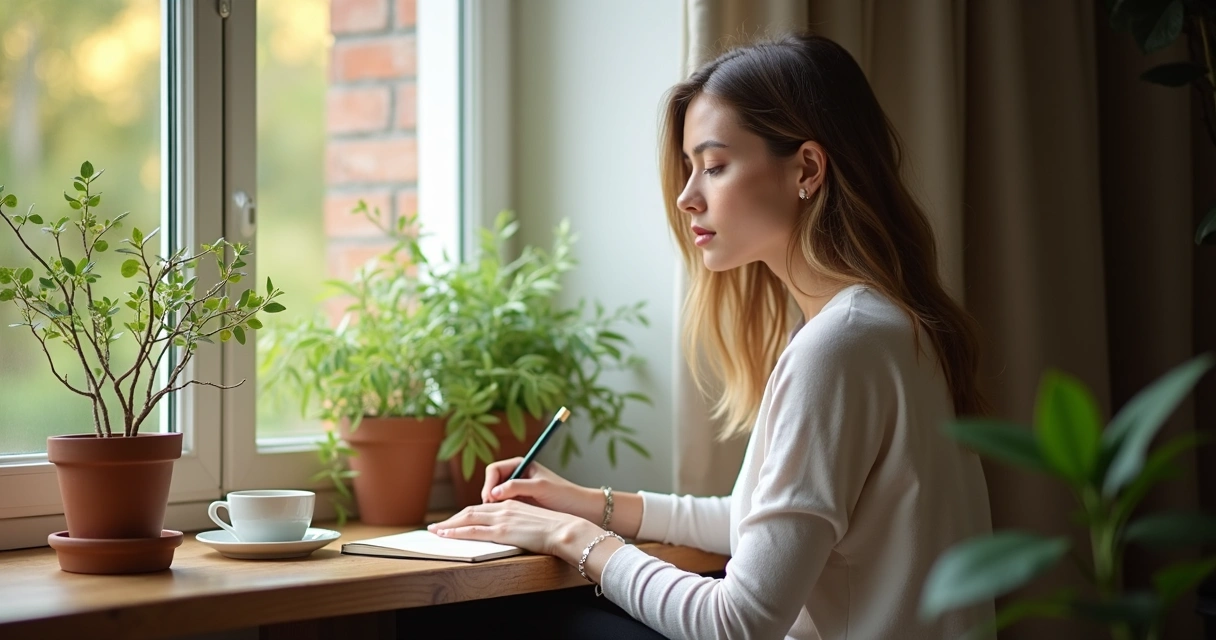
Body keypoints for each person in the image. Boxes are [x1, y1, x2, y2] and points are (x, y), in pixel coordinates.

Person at [425, 32, 995, 639]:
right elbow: (765, 527)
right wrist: (589, 503)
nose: (686, 196)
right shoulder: (885, 325)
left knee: (495, 621)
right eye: (690, 168)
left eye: (715, 166)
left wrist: (573, 538)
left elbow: (738, 623)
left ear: (807, 168)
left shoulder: (841, 345)